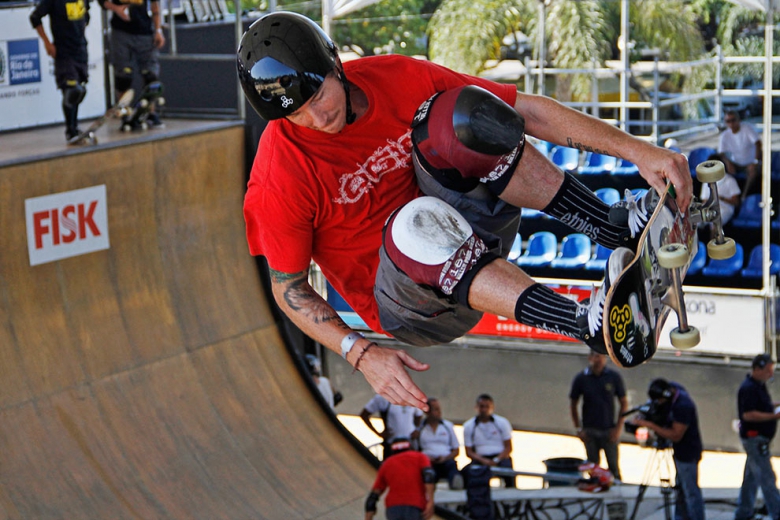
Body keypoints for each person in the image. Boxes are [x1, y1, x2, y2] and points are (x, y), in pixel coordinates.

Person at [236, 12, 694, 411]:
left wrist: (638, 151)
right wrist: (361, 353)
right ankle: (583, 322)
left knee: (459, 116)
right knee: (412, 226)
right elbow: (288, 290)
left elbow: (524, 113)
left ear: (335, 66)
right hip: (408, 303)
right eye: (296, 115)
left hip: (469, 226)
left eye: (319, 99)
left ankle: (612, 228)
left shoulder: (396, 77)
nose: (317, 120)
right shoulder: (279, 177)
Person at [630, 379, 704, 520]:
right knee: (680, 491)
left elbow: (675, 435)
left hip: (687, 453)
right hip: (679, 452)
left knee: (690, 493)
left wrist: (650, 424)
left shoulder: (683, 406)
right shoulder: (673, 389)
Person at [29, 0, 91, 141]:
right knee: (71, 88)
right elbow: (34, 17)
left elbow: (86, 15)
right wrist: (47, 43)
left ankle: (74, 127)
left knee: (79, 90)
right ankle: (70, 130)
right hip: (63, 51)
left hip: (80, 49)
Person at [98, 0, 165, 129]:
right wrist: (116, 9)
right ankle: (125, 114)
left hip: (144, 31)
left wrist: (158, 29)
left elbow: (155, 4)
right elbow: (102, 2)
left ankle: (150, 112)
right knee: (124, 75)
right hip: (121, 32)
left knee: (150, 75)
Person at [569, 351, 628, 482]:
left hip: (609, 430)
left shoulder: (613, 377)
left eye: (602, 357)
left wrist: (618, 428)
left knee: (614, 469)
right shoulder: (581, 378)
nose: (599, 360)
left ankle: (617, 495)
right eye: (596, 356)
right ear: (590, 358)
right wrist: (579, 429)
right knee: (593, 468)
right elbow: (573, 404)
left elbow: (624, 403)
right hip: (590, 430)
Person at [734, 354, 780, 520]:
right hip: (755, 438)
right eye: (768, 371)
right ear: (757, 369)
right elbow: (749, 414)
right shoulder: (749, 388)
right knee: (767, 478)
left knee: (751, 478)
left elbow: (762, 406)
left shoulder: (758, 386)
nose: (770, 375)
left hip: (758, 438)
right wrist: (774, 417)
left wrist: (774, 406)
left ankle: (743, 513)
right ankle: (777, 512)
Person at [364, 437, 435, 520]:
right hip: (415, 505)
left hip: (393, 508)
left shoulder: (387, 463)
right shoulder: (420, 457)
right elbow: (428, 477)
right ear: (409, 447)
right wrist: (430, 501)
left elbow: (373, 496)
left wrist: (368, 517)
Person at [462, 394, 515, 488]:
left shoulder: (502, 422)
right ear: (476, 407)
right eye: (481, 406)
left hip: (500, 458)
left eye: (487, 407)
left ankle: (512, 496)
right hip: (480, 458)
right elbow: (469, 452)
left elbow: (508, 447)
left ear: (492, 408)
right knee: (466, 472)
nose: (484, 410)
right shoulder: (469, 426)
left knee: (508, 471)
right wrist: (484, 460)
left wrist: (496, 459)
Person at [413, 397, 463, 489]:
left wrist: (445, 458)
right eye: (436, 409)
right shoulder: (419, 428)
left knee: (452, 465)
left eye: (439, 409)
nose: (439, 412)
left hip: (446, 460)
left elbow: (456, 450)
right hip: (427, 461)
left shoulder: (448, 426)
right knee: (427, 471)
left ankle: (456, 484)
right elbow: (415, 450)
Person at [711, 110, 761, 201]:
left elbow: (758, 143)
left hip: (750, 162)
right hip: (735, 163)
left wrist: (755, 161)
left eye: (733, 120)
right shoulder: (724, 135)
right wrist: (728, 163)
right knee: (721, 170)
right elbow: (721, 153)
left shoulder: (747, 128)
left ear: (739, 120)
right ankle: (727, 197)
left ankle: (744, 197)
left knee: (752, 172)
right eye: (728, 121)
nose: (731, 123)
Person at [361, 393, 423, 459]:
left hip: (410, 443)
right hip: (392, 444)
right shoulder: (383, 398)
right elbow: (364, 414)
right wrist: (378, 433)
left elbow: (419, 415)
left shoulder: (411, 395)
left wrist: (416, 429)